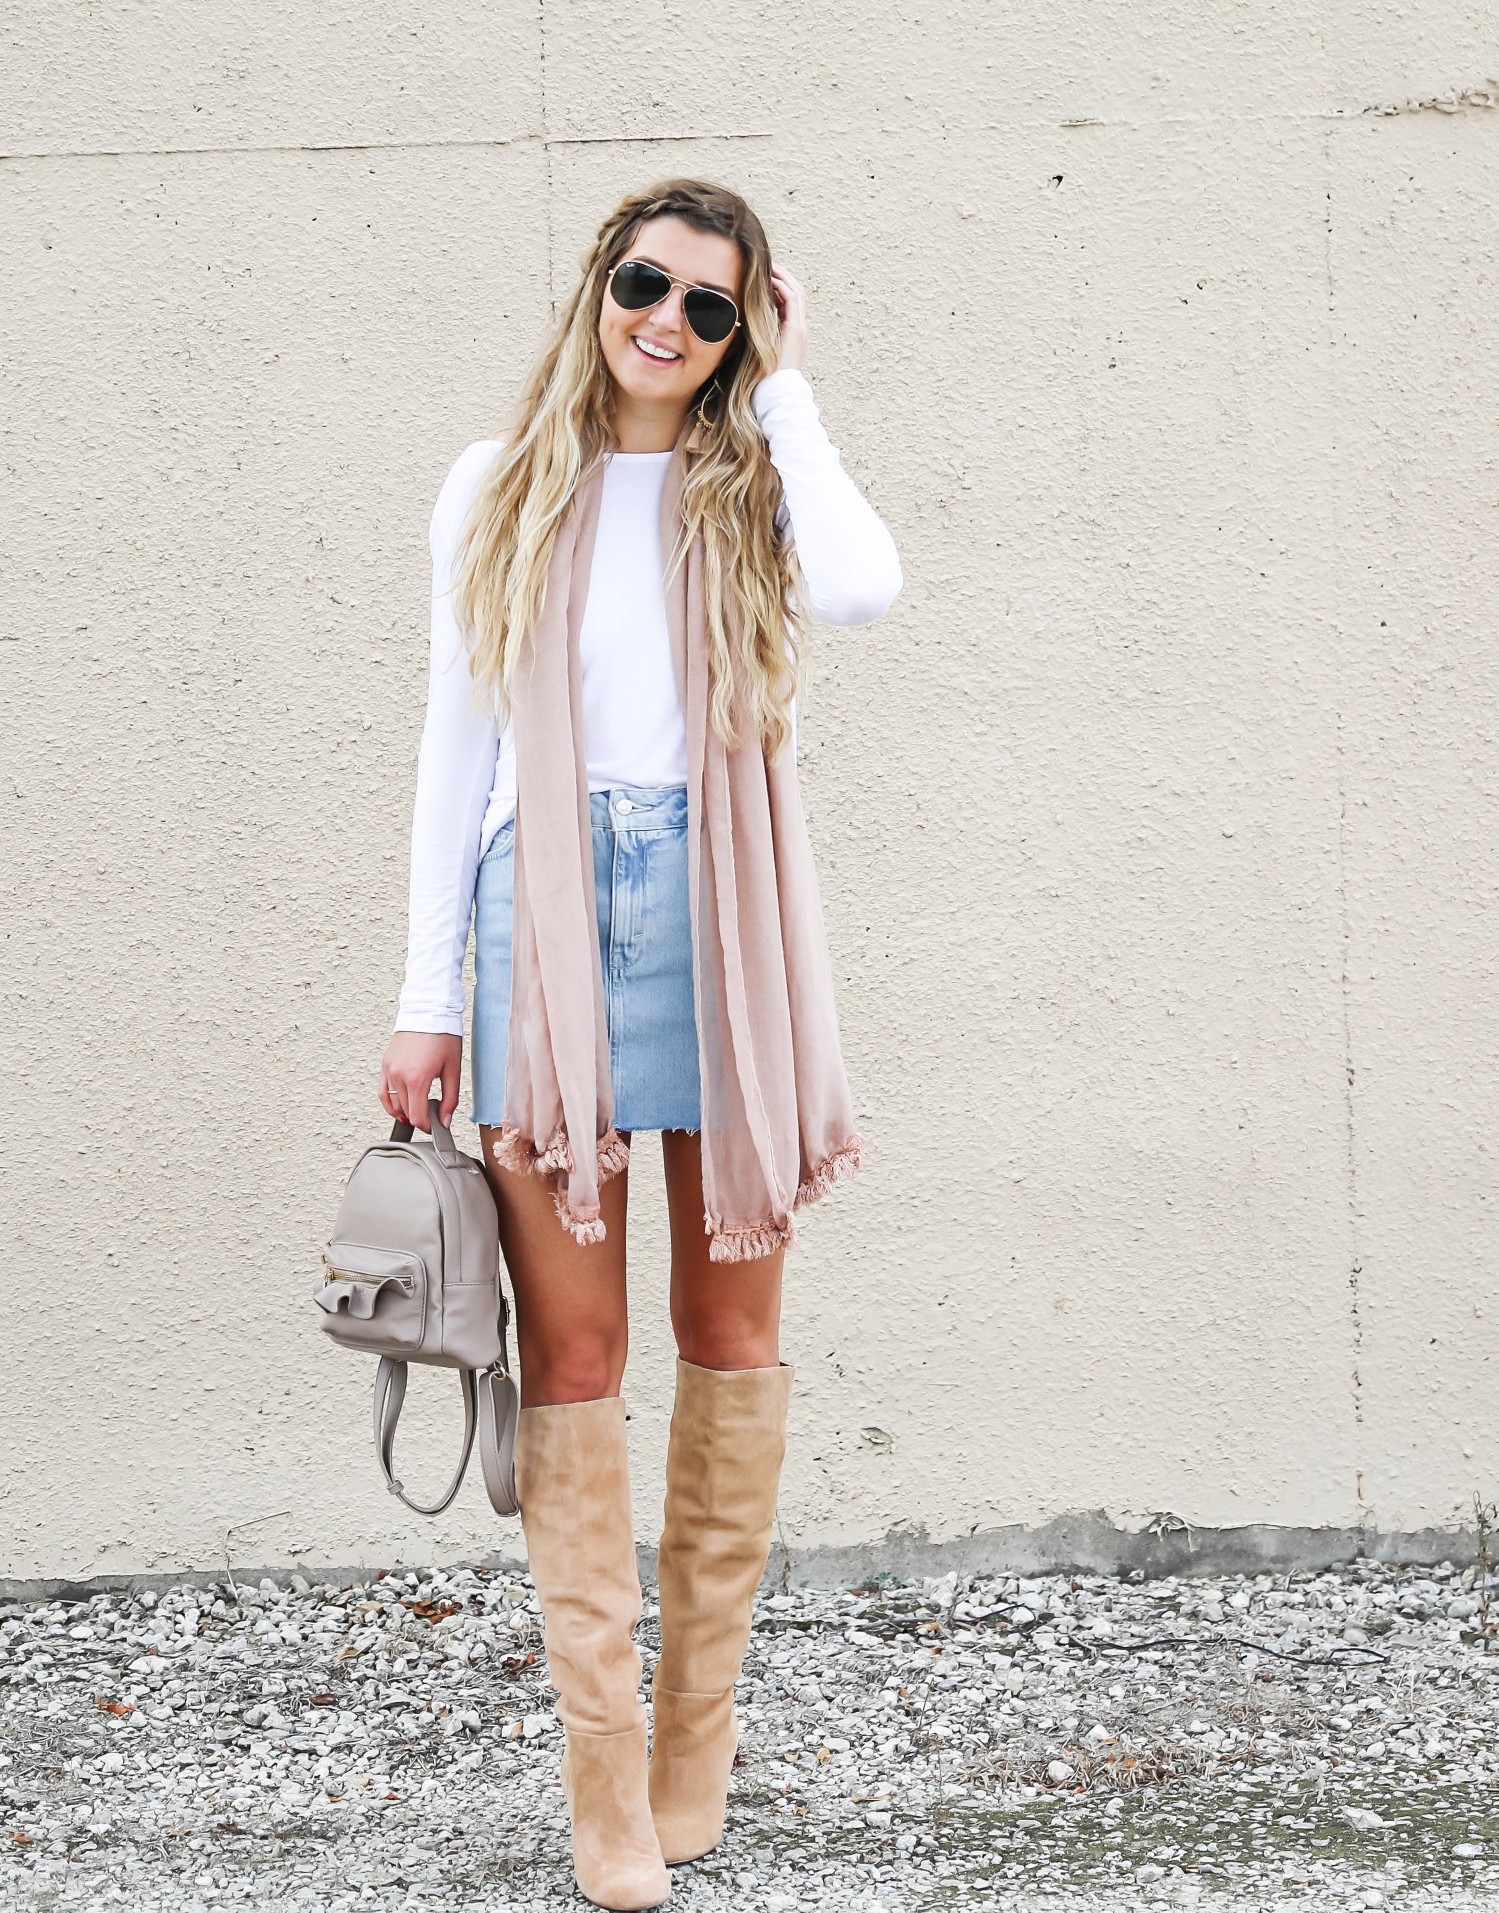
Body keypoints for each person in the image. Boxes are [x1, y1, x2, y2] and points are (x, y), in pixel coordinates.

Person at [378, 177, 899, 1907]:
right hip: (545, 911)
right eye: (646, 283)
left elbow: (869, 589)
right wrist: (424, 996)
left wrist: (796, 394)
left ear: (746, 330)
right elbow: (456, 760)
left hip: (722, 908)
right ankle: (605, 1776)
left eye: (712, 307)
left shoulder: (756, 484)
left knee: (731, 1325)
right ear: (600, 280)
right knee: (580, 1348)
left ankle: (697, 1744)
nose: (666, 322)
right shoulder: (498, 484)